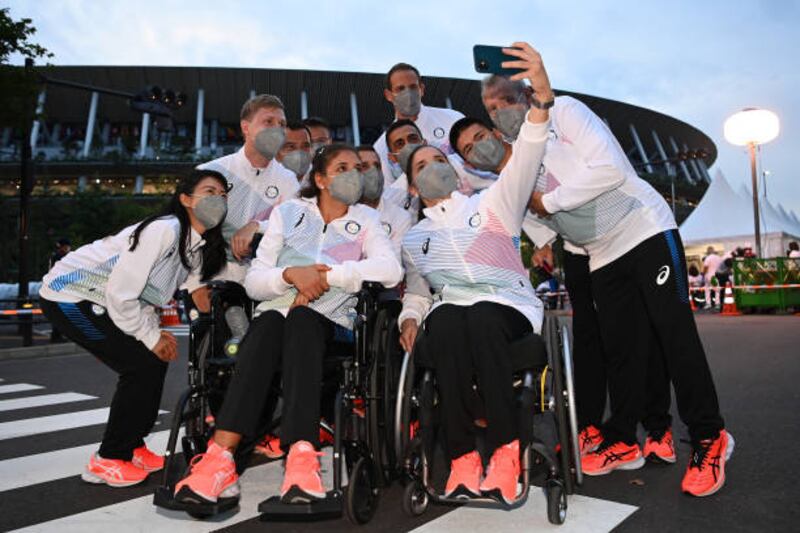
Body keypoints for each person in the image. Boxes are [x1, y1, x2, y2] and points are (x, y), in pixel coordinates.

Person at [484, 71, 730, 496]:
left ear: (527, 95)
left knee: (675, 336)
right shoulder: (519, 153)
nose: (500, 113)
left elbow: (611, 169)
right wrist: (541, 235)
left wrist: (551, 202)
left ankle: (709, 437)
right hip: (600, 252)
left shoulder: (567, 111)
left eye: (506, 100)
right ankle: (621, 439)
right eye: (491, 109)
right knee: (622, 351)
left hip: (643, 229)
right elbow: (521, 207)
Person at [173, 144, 403, 507]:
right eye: (342, 167)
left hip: (332, 324)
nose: (354, 174)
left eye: (357, 168)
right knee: (267, 325)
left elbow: (390, 271)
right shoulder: (288, 213)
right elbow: (255, 281)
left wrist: (329, 277)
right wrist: (291, 275)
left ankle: (301, 453)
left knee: (301, 318)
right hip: (277, 318)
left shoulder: (367, 221)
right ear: (321, 179)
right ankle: (219, 460)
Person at [450, 112, 674, 463]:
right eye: (469, 148)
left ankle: (658, 428)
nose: (479, 147)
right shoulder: (505, 190)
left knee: (641, 333)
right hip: (577, 252)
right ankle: (589, 426)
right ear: (468, 163)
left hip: (622, 233)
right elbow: (539, 228)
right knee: (591, 341)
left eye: (480, 136)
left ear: (495, 132)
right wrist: (543, 246)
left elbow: (595, 172)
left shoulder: (538, 147)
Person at [397, 42, 552, 506]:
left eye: (439, 160)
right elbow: (420, 292)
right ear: (410, 185)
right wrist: (409, 315)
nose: (432, 168)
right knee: (443, 321)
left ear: (456, 170)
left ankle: (506, 450)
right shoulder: (413, 240)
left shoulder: (492, 203)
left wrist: (540, 96)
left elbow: (526, 155)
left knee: (481, 314)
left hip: (507, 307)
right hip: (453, 314)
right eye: (421, 166)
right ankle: (463, 459)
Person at [39, 170, 230, 488]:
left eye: (223, 195)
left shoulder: (194, 246)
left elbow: (147, 296)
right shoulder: (165, 230)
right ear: (185, 199)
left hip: (104, 300)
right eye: (209, 191)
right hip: (68, 295)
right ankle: (108, 459)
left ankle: (132, 445)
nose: (218, 199)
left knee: (151, 361)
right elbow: (121, 292)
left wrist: (154, 332)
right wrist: (150, 336)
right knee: (139, 364)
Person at [198, 94, 300, 284]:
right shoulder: (210, 171)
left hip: (264, 282)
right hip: (209, 278)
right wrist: (194, 287)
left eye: (282, 124)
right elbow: (187, 232)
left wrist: (256, 226)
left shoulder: (288, 180)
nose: (277, 129)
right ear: (246, 127)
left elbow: (295, 226)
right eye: (268, 121)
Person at [373, 62, 464, 186]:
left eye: (413, 87)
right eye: (400, 89)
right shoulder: (381, 147)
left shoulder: (453, 118)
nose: (408, 93)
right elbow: (390, 194)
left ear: (421, 89)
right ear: (388, 95)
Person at [357, 145, 413, 258]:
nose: (373, 171)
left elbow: (393, 265)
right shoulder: (339, 212)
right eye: (364, 166)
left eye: (377, 166)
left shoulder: (400, 217)